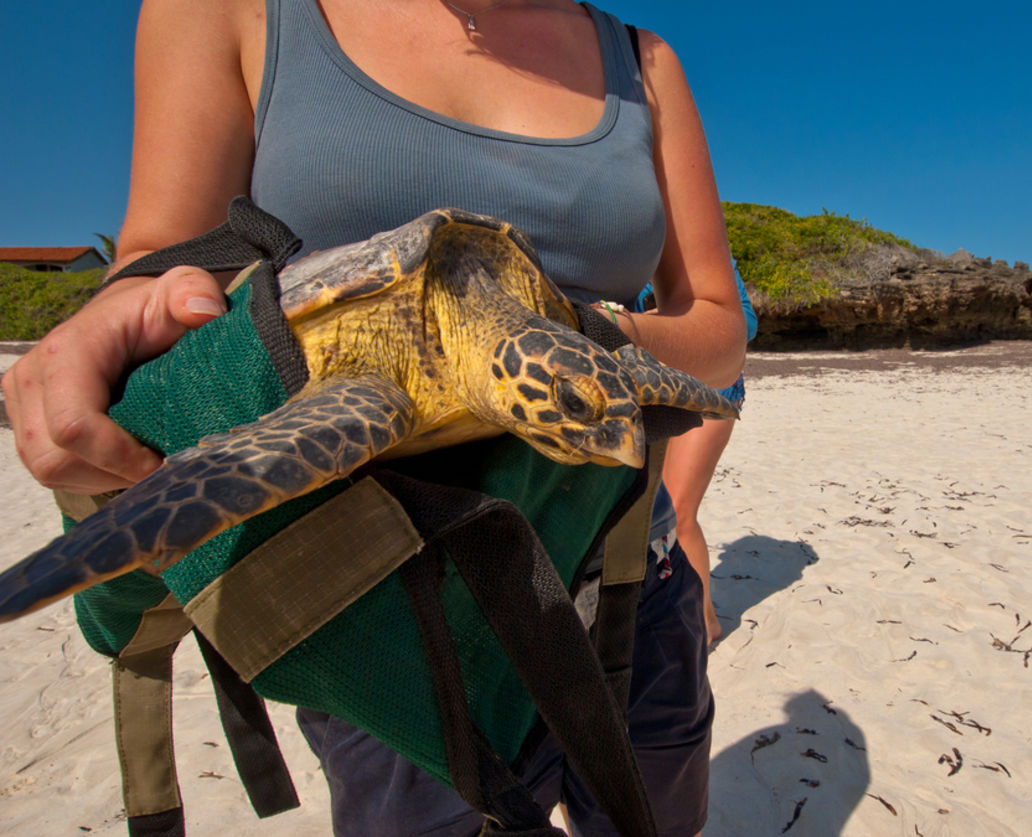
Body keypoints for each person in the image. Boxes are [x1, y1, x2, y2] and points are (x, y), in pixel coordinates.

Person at [1, 1, 746, 835]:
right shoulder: (230, 11)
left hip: (631, 571)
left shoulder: (644, 60)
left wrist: (582, 337)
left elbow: (719, 326)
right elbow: (166, 256)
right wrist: (122, 311)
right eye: (576, 409)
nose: (604, 427)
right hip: (393, 610)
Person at [632, 268, 757, 643]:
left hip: (711, 390)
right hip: (656, 391)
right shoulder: (627, 252)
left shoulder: (696, 253)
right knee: (653, 512)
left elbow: (744, 324)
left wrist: (649, 321)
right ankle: (692, 617)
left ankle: (701, 626)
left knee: (679, 512)